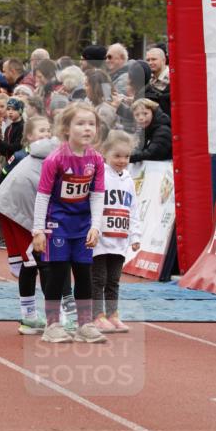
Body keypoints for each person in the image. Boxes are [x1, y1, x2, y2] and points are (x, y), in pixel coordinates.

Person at [32, 101, 106, 344]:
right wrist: (38, 230)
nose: (87, 129)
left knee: (84, 275)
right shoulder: (55, 160)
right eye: (81, 123)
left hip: (82, 226)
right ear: (66, 129)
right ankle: (52, 324)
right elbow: (42, 195)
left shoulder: (96, 159)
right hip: (57, 224)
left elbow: (97, 195)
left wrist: (96, 226)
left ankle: (84, 324)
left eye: (91, 124)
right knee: (58, 274)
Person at [0, 115, 55, 334]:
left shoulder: (40, 154)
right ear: (30, 138)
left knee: (32, 264)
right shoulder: (42, 150)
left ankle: (30, 316)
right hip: (17, 210)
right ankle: (49, 317)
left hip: (17, 208)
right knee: (42, 262)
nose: (46, 135)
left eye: (48, 130)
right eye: (41, 130)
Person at [92, 130, 142, 333]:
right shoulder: (99, 175)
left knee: (113, 280)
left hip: (120, 238)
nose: (122, 160)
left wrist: (135, 235)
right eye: (117, 156)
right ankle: (97, 315)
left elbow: (133, 209)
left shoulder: (129, 180)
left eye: (126, 156)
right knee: (98, 279)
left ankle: (113, 314)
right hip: (100, 238)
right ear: (105, 153)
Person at [144, 46, 171, 115]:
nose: (150, 63)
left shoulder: (172, 79)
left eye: (154, 59)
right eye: (148, 60)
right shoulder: (149, 80)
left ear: (164, 60)